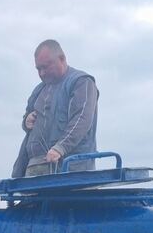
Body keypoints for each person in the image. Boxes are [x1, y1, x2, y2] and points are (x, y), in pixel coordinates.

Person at [12, 39, 98, 178]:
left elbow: (82, 119)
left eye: (46, 67)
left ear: (62, 59)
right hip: (35, 169)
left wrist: (60, 148)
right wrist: (26, 121)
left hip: (71, 170)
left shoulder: (81, 82)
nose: (42, 73)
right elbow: (27, 119)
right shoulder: (39, 90)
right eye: (38, 69)